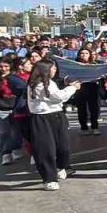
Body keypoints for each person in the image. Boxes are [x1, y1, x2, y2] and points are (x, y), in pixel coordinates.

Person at [26, 61, 81, 190]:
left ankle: (61, 166)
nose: (55, 70)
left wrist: (69, 88)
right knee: (46, 149)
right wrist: (72, 88)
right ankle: (49, 179)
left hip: (57, 116)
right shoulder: (37, 85)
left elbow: (61, 98)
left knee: (64, 147)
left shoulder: (51, 82)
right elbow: (56, 97)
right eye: (52, 68)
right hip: (42, 118)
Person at [73, 47, 103, 136]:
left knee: (94, 108)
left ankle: (95, 127)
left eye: (86, 53)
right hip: (80, 88)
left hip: (93, 87)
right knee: (81, 109)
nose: (84, 55)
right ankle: (84, 127)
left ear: (90, 55)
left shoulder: (95, 64)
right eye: (82, 53)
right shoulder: (74, 64)